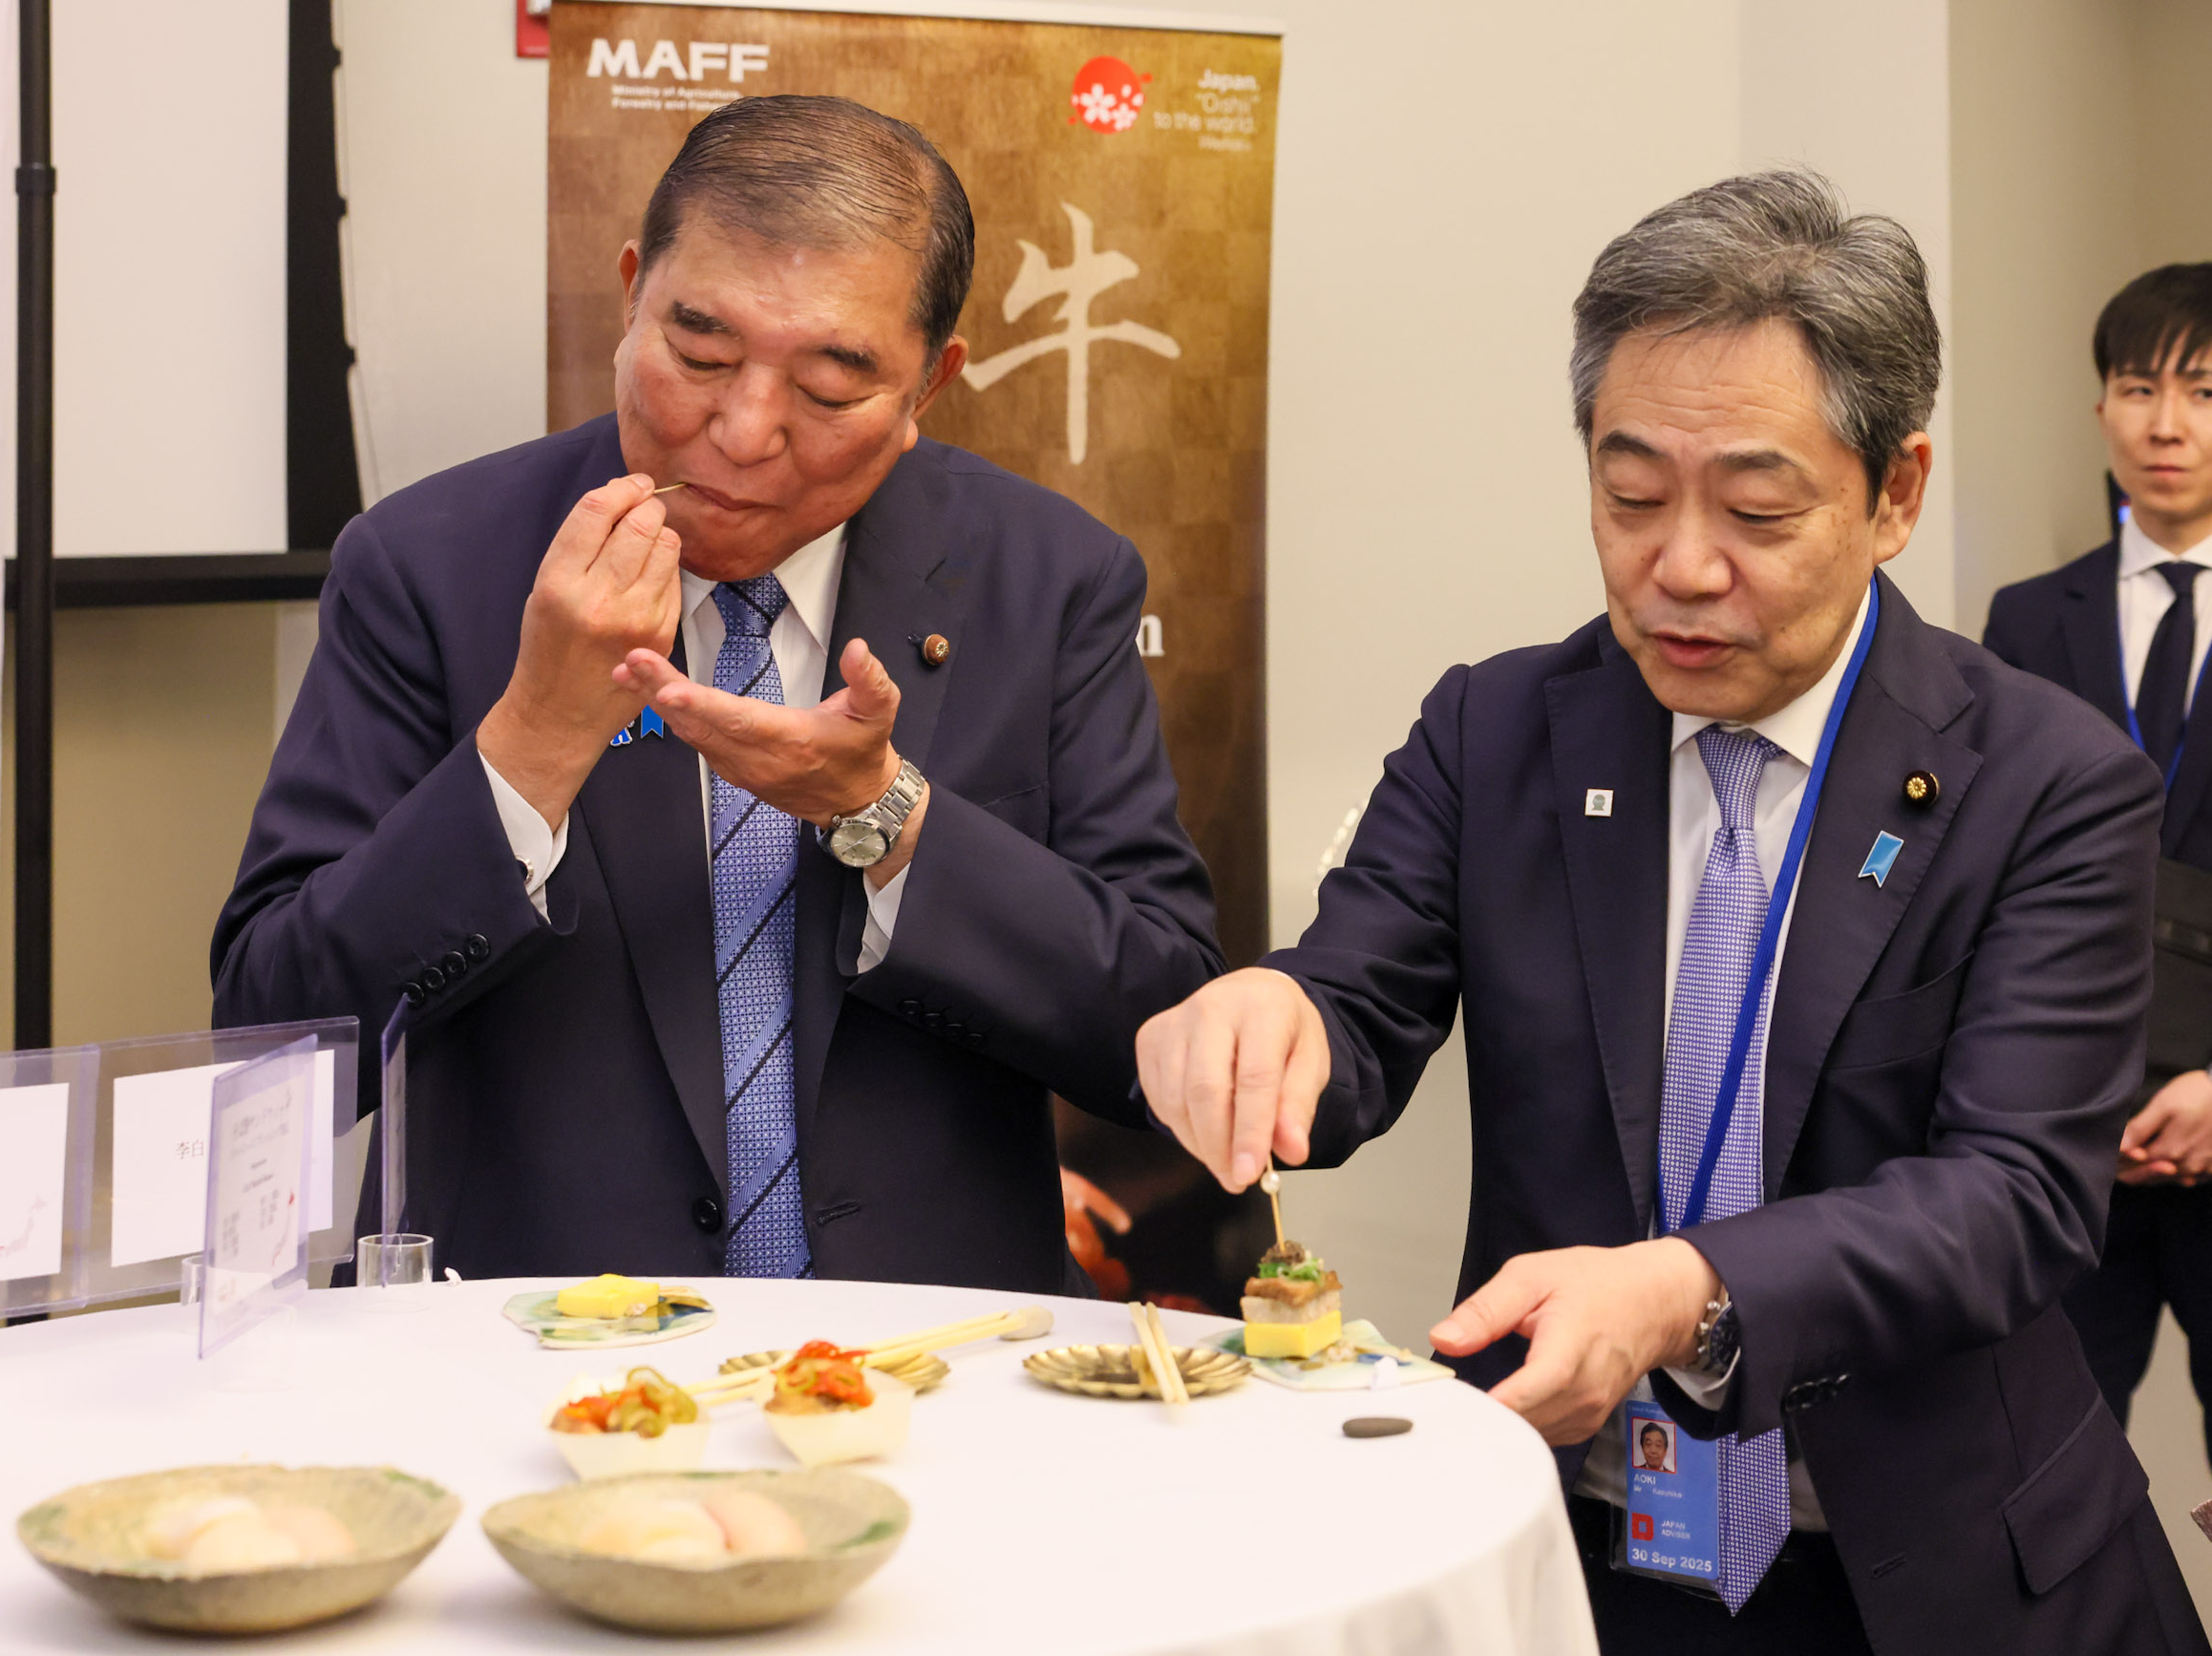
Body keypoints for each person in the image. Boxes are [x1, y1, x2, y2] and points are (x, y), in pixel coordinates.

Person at [1137, 171, 2202, 1653]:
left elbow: (2017, 1194)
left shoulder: (2045, 778)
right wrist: (1278, 1012)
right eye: (1630, 496)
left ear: (1895, 494)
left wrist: (1690, 1287)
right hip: (1576, 1543)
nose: (1681, 567)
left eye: (1758, 509)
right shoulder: (1496, 729)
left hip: (1943, 1568)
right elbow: (1358, 996)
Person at [212, 96, 1221, 1293]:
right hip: (526, 1347)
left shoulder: (1047, 580)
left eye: (830, 387)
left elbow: (1163, 1030)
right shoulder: (429, 563)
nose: (742, 432)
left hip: (927, 1354)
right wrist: (531, 744)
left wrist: (890, 819)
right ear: (631, 293)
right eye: (699, 355)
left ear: (927, 388)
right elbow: (275, 1041)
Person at [1984, 265, 2212, 1450]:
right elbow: (1993, 872)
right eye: (2136, 388)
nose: (2164, 425)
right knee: (2052, 1461)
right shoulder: (2027, 619)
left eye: (2203, 392)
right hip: (2073, 1138)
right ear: (2100, 409)